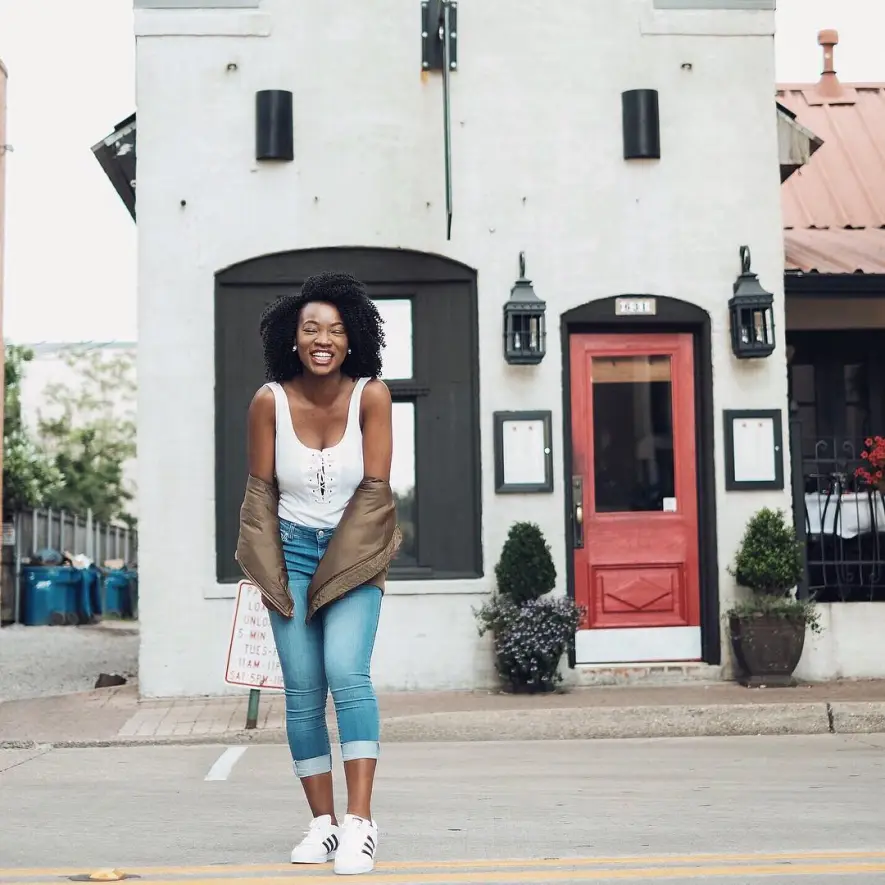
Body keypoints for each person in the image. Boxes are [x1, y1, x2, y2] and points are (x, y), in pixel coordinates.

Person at [244, 271, 395, 876]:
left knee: (345, 673)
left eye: (334, 329)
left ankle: (360, 824)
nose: (323, 339)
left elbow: (377, 491)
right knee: (303, 691)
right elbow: (259, 497)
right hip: (291, 556)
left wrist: (336, 570)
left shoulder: (372, 396)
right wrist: (267, 572)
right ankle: (323, 826)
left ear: (352, 338)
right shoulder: (269, 401)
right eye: (311, 329)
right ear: (294, 338)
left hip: (355, 551)